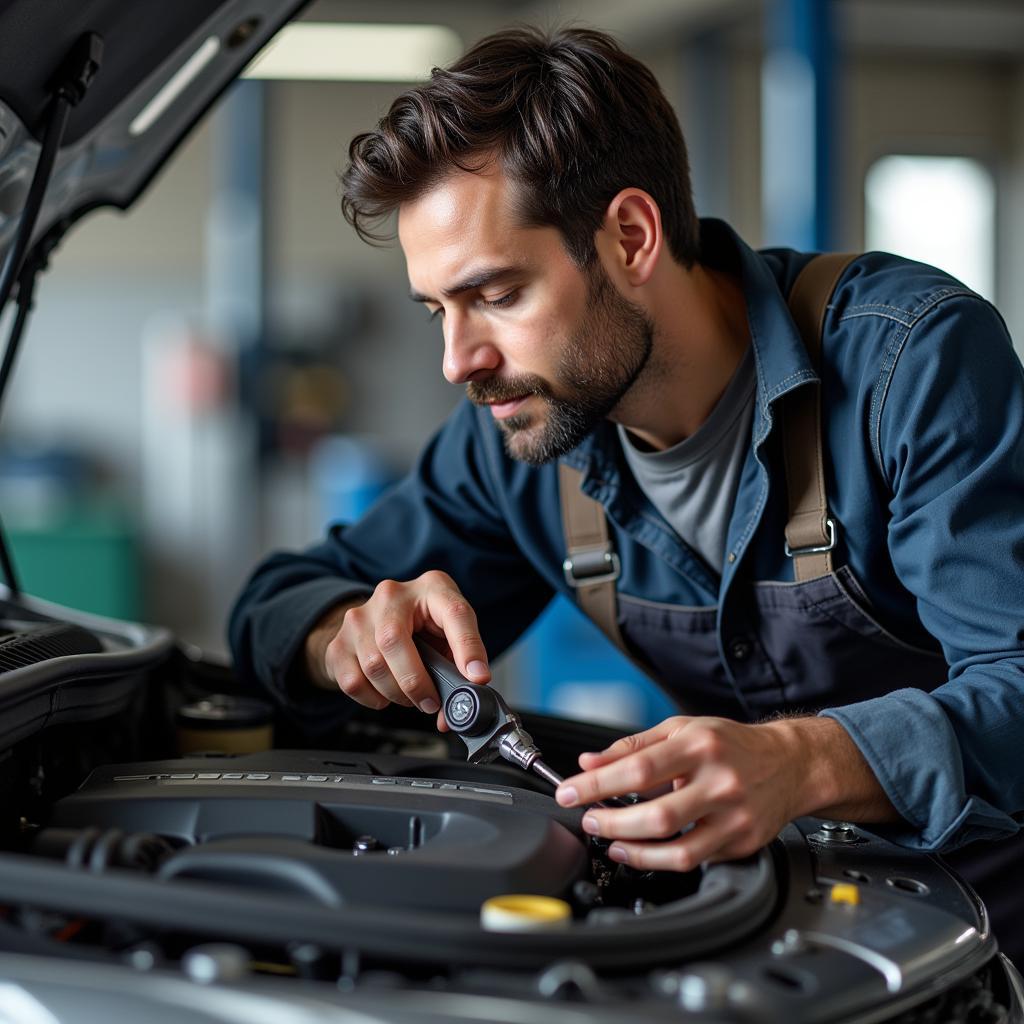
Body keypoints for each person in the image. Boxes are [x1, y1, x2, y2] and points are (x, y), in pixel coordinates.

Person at [229, 27, 1024, 958]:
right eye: (438, 309)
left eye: (496, 294)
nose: (458, 361)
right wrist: (345, 636)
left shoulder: (908, 364)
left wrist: (802, 761)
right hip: (782, 943)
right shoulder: (518, 448)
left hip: (989, 949)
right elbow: (273, 605)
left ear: (632, 237)